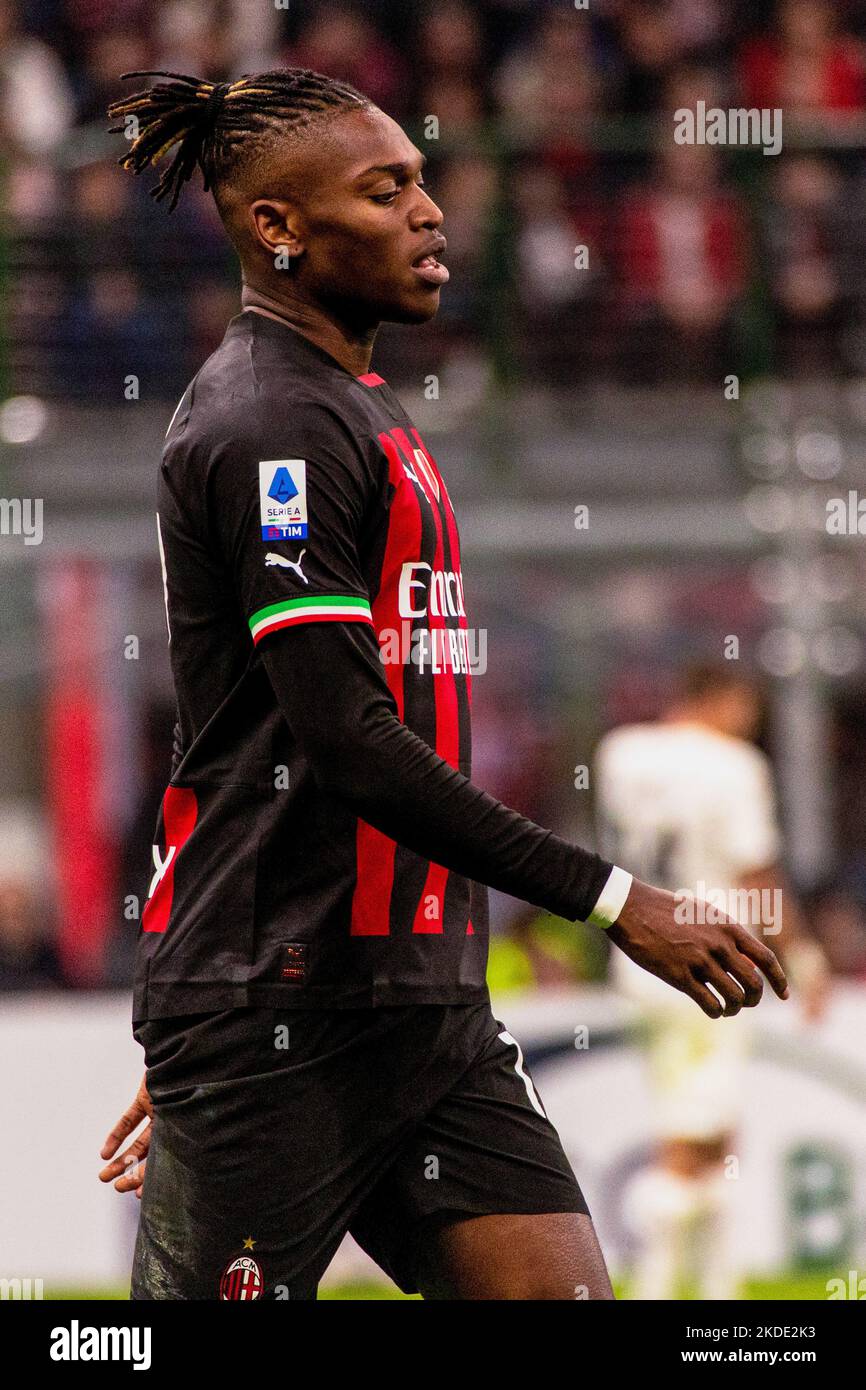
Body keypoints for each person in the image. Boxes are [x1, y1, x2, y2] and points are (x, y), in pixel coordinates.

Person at [98, 68, 788, 1301]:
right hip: (282, 1005)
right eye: (385, 190)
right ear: (278, 228)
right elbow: (344, 740)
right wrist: (618, 899)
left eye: (420, 182)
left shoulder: (353, 407)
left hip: (415, 1007)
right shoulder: (271, 428)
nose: (430, 214)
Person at [595, 662, 829, 1299]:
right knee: (690, 1139)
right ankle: (654, 1286)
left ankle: (717, 1287)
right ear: (724, 699)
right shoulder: (734, 766)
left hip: (639, 958)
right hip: (712, 959)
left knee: (710, 1126)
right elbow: (756, 871)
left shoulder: (620, 753)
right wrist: (802, 958)